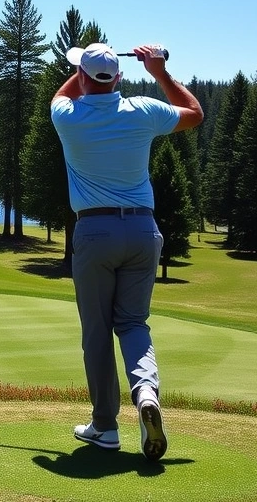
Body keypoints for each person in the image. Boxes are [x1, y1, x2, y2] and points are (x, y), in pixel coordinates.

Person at [50, 43, 203, 461]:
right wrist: (160, 72)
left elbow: (62, 95)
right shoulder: (143, 110)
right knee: (133, 324)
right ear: (119, 78)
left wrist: (82, 67)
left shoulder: (69, 116)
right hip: (142, 229)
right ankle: (147, 395)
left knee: (97, 331)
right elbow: (194, 114)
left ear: (82, 77)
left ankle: (105, 427)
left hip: (95, 232)